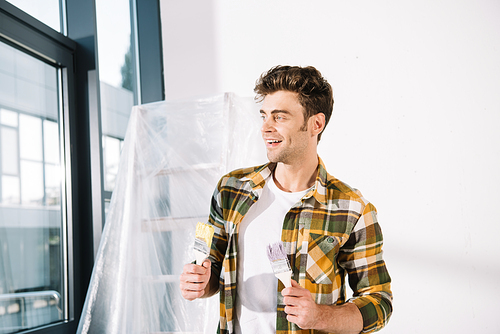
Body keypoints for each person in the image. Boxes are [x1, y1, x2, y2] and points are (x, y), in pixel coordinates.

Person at [180, 65, 392, 334]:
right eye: (264, 116)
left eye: (279, 117)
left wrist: (319, 316)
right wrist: (200, 282)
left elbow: (379, 302)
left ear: (316, 124)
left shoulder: (351, 209)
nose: (265, 128)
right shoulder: (231, 190)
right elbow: (215, 272)